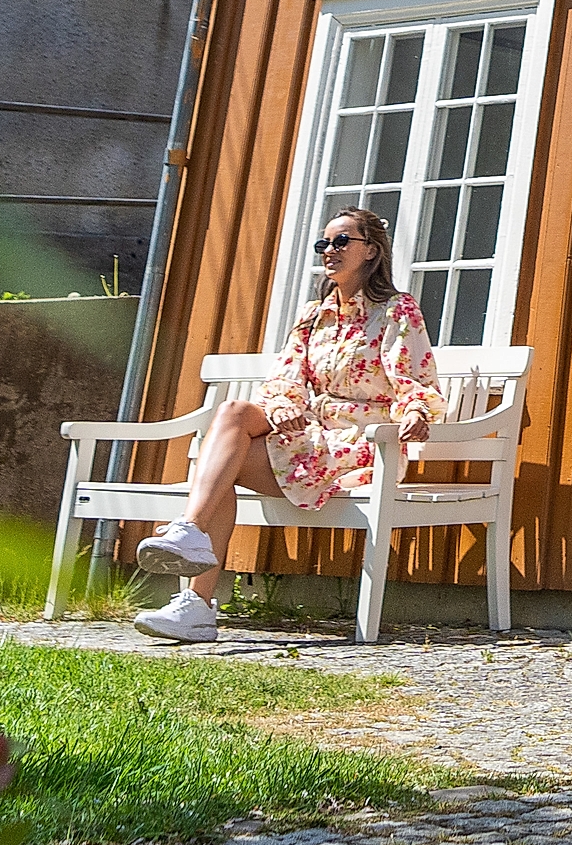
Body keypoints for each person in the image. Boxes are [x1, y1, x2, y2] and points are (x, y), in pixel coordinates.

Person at [132, 205, 444, 643]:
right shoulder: (313, 315)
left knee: (222, 465)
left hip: (360, 444)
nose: (329, 250)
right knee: (234, 414)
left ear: (371, 250)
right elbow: (286, 377)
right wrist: (281, 406)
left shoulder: (396, 310)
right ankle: (192, 554)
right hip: (309, 438)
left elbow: (411, 376)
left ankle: (196, 592)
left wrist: (416, 411)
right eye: (323, 243)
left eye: (341, 241)